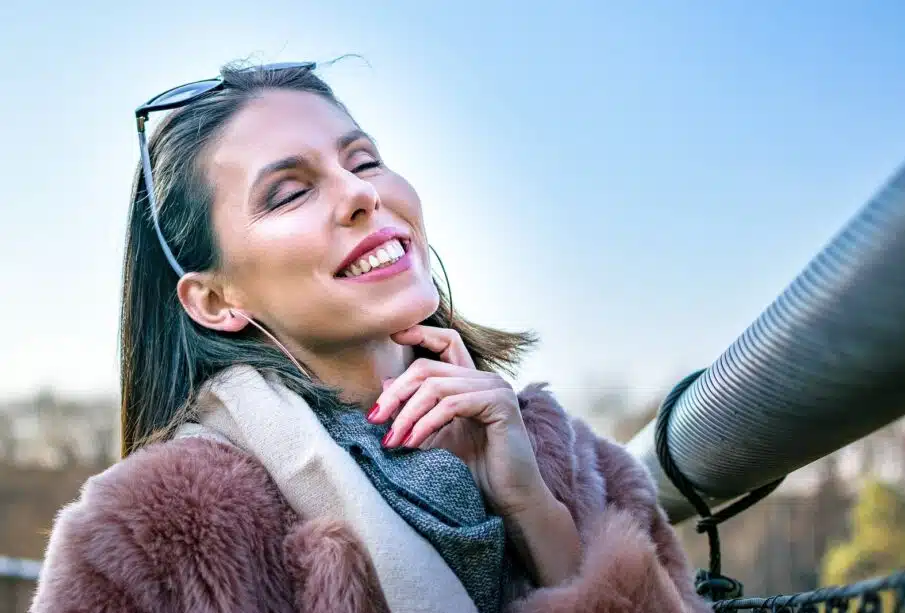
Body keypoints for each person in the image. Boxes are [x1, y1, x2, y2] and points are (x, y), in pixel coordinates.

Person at [30, 61, 709, 613]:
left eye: (363, 160)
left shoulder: (569, 457)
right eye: (289, 192)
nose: (361, 194)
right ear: (214, 299)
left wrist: (533, 509)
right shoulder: (149, 537)